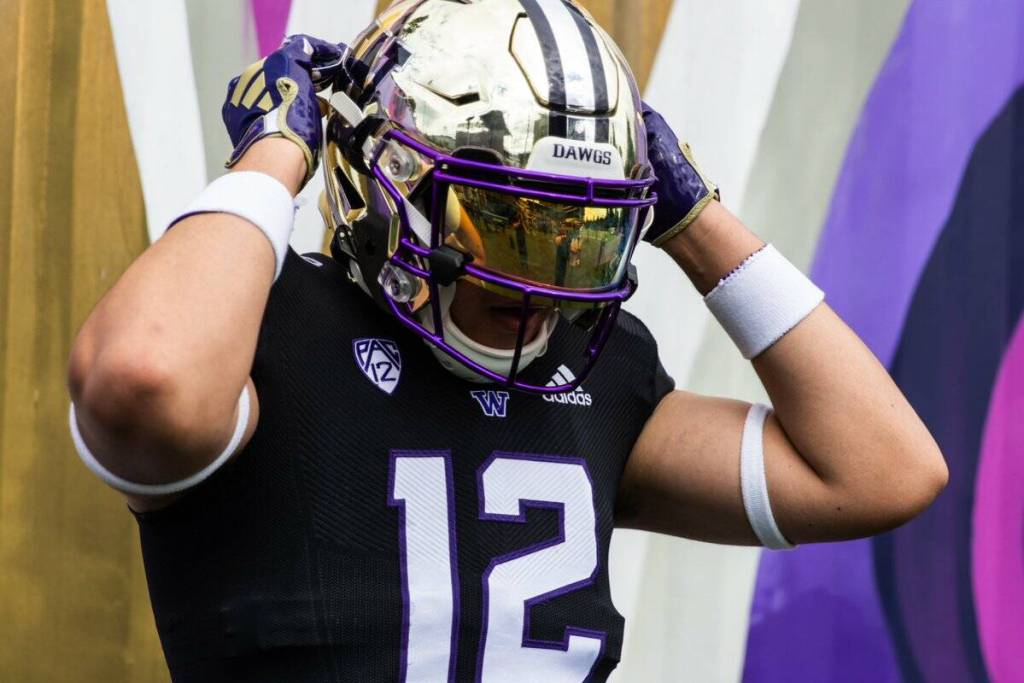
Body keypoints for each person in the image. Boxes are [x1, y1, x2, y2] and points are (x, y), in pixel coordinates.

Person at [66, 2, 947, 681]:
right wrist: (272, 156)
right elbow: (141, 379)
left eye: (583, 231)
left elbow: (881, 469)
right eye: (505, 222)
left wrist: (697, 218)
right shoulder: (260, 333)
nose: (544, 278)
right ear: (388, 178)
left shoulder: (596, 375)